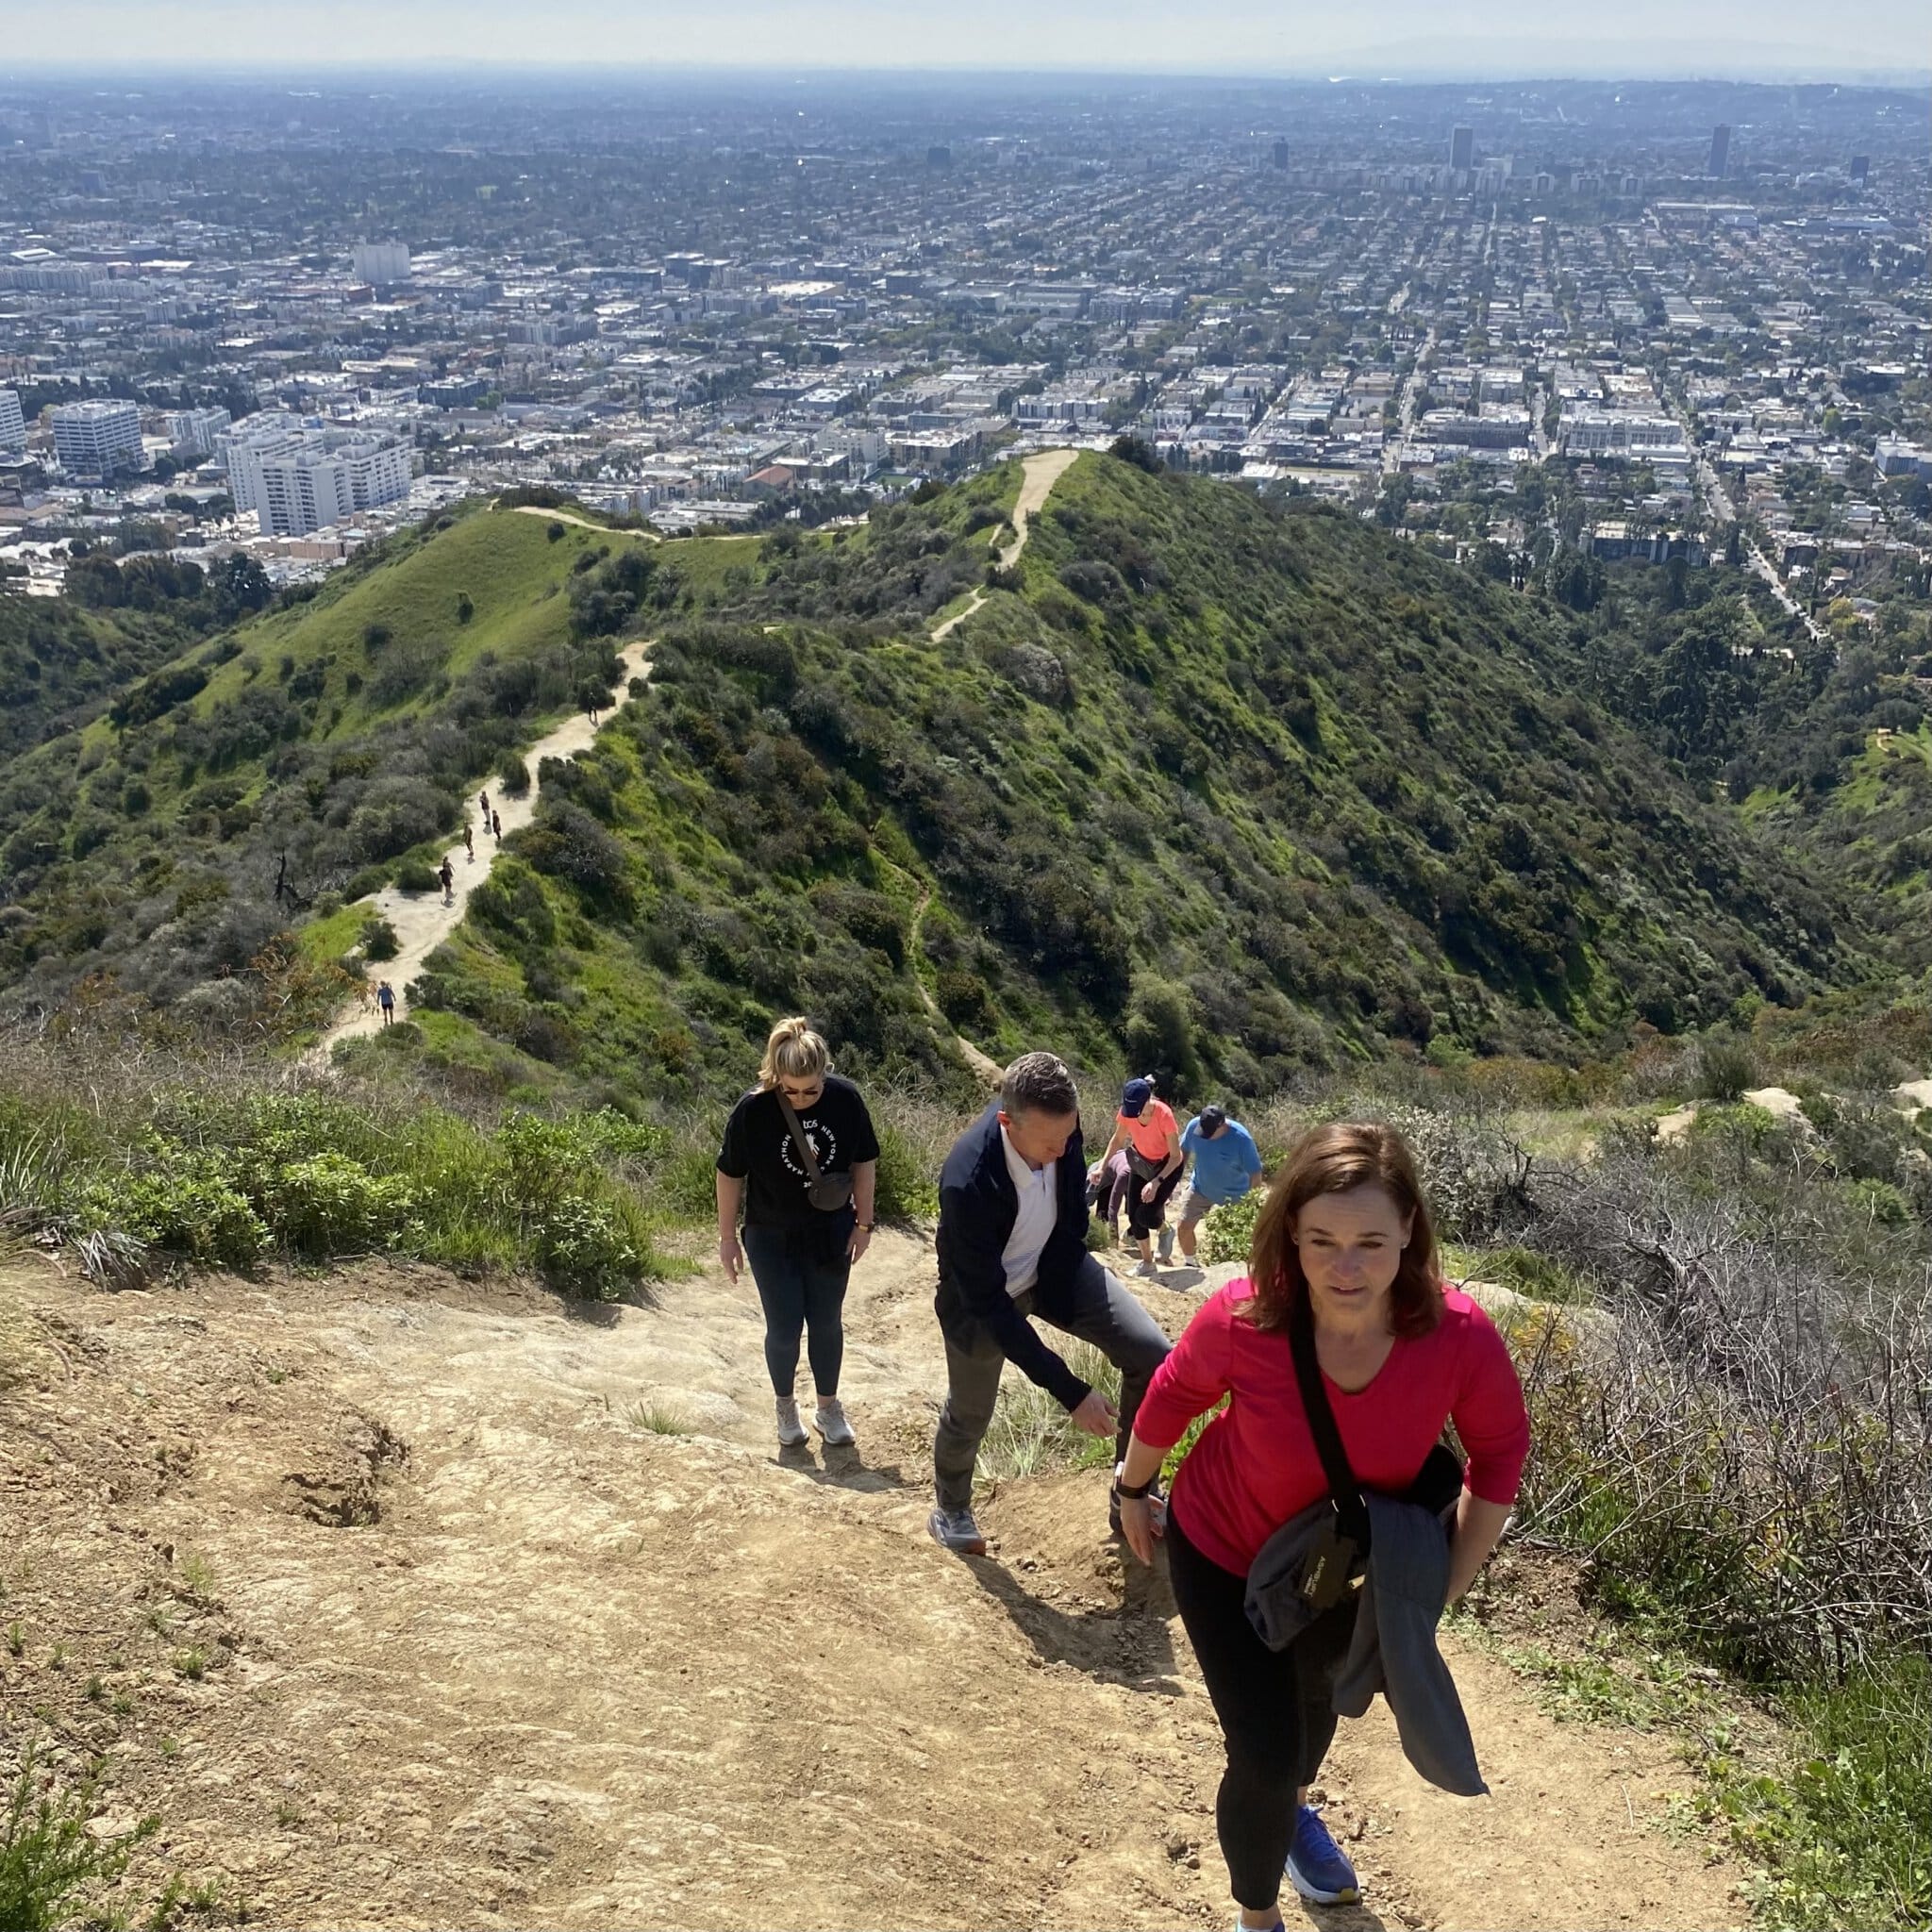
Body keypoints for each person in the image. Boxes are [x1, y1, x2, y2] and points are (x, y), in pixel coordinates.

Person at [1115, 1123, 1530, 1924]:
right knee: (1265, 1754)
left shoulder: (1458, 1336)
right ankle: (1256, 1915)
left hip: (1338, 1572)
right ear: (1290, 1234)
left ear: (1410, 1229)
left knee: (1309, 1728)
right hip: (1224, 1549)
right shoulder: (1247, 1318)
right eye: (1322, 1241)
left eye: (1372, 1242)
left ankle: (1293, 1816)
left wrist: (1442, 1588)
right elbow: (1171, 1395)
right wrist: (1134, 1490)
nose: (1347, 1268)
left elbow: (1499, 1457)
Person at [928, 1051, 1174, 1556]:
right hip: (983, 1301)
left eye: (1069, 1136)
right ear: (1006, 1122)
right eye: (1048, 1144)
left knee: (1152, 1354)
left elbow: (1069, 1200)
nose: (1063, 1150)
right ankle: (951, 1508)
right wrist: (1070, 1390)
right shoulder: (967, 1181)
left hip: (1056, 1269)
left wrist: (1070, 1239)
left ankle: (1131, 1491)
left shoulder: (1060, 1127)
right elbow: (989, 1303)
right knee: (971, 1412)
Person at [716, 1017, 879, 1453]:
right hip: (771, 1234)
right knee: (785, 1327)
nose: (802, 1098)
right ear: (775, 1076)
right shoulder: (753, 1110)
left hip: (830, 1231)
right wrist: (728, 1237)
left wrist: (864, 1223)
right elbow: (729, 1173)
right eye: (791, 1090)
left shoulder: (846, 1100)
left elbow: (864, 1161)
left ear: (825, 1073)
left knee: (826, 1322)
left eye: (811, 1089)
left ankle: (828, 1408)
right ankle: (785, 1407)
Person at [1099, 1075, 1184, 1279]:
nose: (1132, 1114)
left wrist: (1156, 1183)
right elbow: (1118, 1139)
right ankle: (1147, 1263)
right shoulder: (1128, 1111)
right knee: (1132, 1215)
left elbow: (1176, 1156)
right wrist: (1101, 1167)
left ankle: (1165, 1230)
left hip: (1167, 1166)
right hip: (1141, 1162)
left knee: (1145, 1215)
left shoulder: (1164, 1115)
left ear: (1147, 1100)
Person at [1167, 1103, 1265, 1266]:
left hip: (1235, 1196)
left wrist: (1250, 1204)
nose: (1204, 1135)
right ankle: (1191, 1263)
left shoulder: (1241, 1139)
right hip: (1201, 1187)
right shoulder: (1194, 1127)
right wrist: (1173, 1180)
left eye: (1209, 1133)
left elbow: (1255, 1173)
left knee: (1234, 1238)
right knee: (1183, 1226)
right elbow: (1183, 1152)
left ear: (1222, 1125)